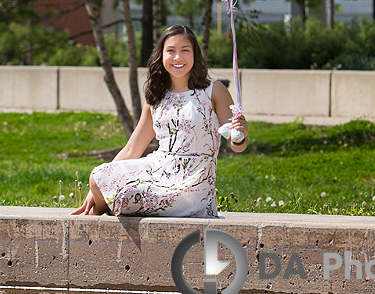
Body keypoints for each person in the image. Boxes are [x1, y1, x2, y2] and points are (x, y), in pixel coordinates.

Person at [72, 24, 248, 217]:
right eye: (170, 51)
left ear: (195, 55)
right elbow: (132, 149)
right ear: (161, 55)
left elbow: (237, 144)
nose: (177, 57)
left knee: (127, 196)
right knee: (98, 177)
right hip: (158, 169)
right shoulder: (156, 96)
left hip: (193, 183)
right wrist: (96, 189)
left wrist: (240, 135)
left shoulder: (213, 90)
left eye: (185, 51)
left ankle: (97, 219)